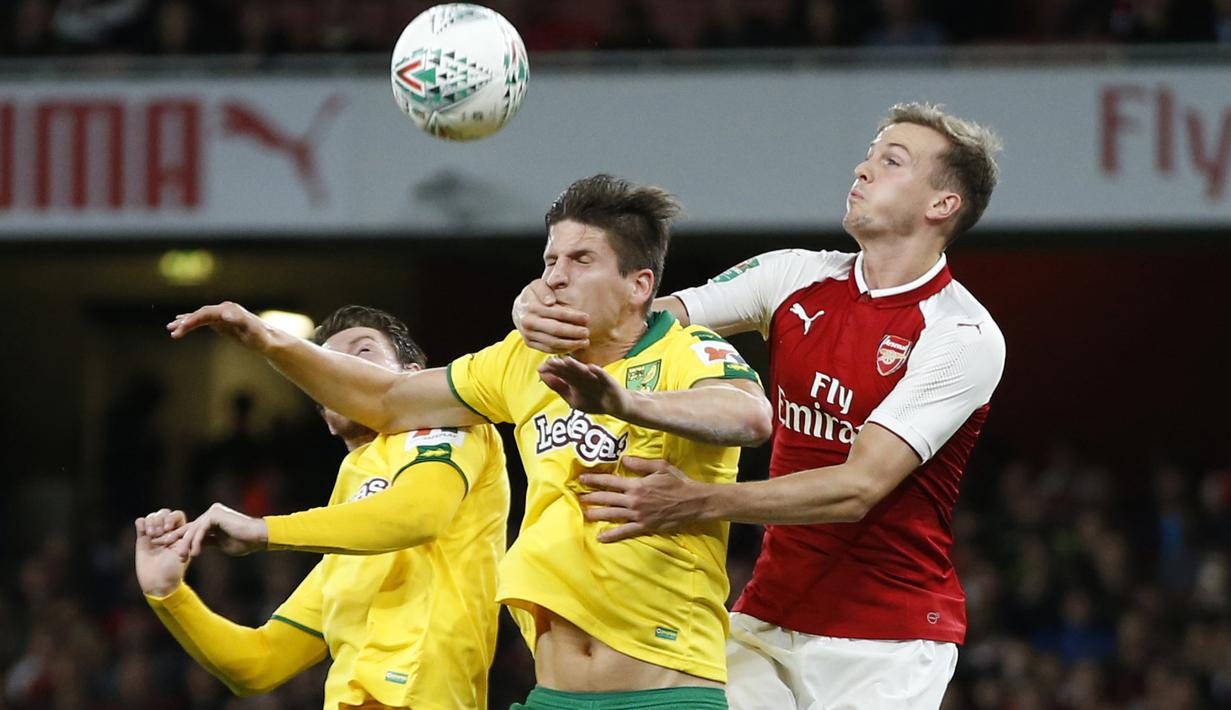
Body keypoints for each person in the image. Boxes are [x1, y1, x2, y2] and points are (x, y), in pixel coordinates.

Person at [164, 174, 775, 710]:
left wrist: (624, 402)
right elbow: (386, 399)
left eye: (581, 260)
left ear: (639, 284)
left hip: (666, 691)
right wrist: (267, 341)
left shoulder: (689, 350)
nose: (554, 279)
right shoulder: (523, 362)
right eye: (549, 260)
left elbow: (749, 417)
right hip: (554, 694)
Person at [513, 103, 1007, 709]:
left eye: (891, 161)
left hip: (888, 639)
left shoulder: (961, 335)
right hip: (768, 618)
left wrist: (696, 501)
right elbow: (637, 316)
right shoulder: (793, 276)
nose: (862, 167)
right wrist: (539, 306)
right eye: (871, 153)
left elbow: (858, 488)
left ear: (941, 205)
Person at [136, 305, 510, 710]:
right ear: (326, 413)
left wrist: (263, 531)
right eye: (326, 365)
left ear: (416, 376)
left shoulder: (450, 423)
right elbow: (259, 664)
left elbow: (418, 515)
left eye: (363, 352)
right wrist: (168, 593)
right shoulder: (346, 543)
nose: (340, 368)